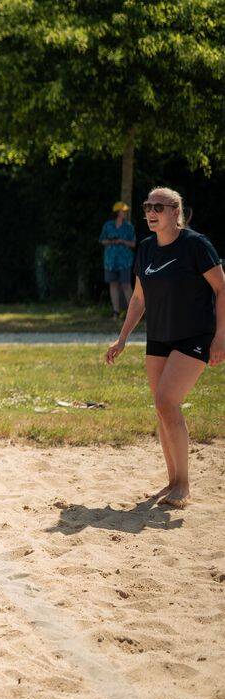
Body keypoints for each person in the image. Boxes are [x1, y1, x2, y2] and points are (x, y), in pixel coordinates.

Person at [105, 187, 224, 509]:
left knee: (166, 400)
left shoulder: (196, 246)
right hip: (159, 336)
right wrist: (123, 337)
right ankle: (171, 481)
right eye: (147, 206)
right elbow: (139, 298)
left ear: (175, 211)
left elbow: (221, 288)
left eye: (158, 206)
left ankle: (184, 486)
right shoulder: (145, 249)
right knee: (161, 408)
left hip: (195, 335)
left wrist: (221, 336)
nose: (151, 212)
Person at [100, 201, 137, 318]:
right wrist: (111, 241)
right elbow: (102, 240)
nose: (125, 212)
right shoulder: (107, 226)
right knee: (113, 285)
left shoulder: (129, 226)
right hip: (110, 261)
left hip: (124, 261)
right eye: (123, 211)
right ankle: (115, 312)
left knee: (126, 285)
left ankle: (134, 313)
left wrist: (122, 241)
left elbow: (133, 244)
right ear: (117, 212)